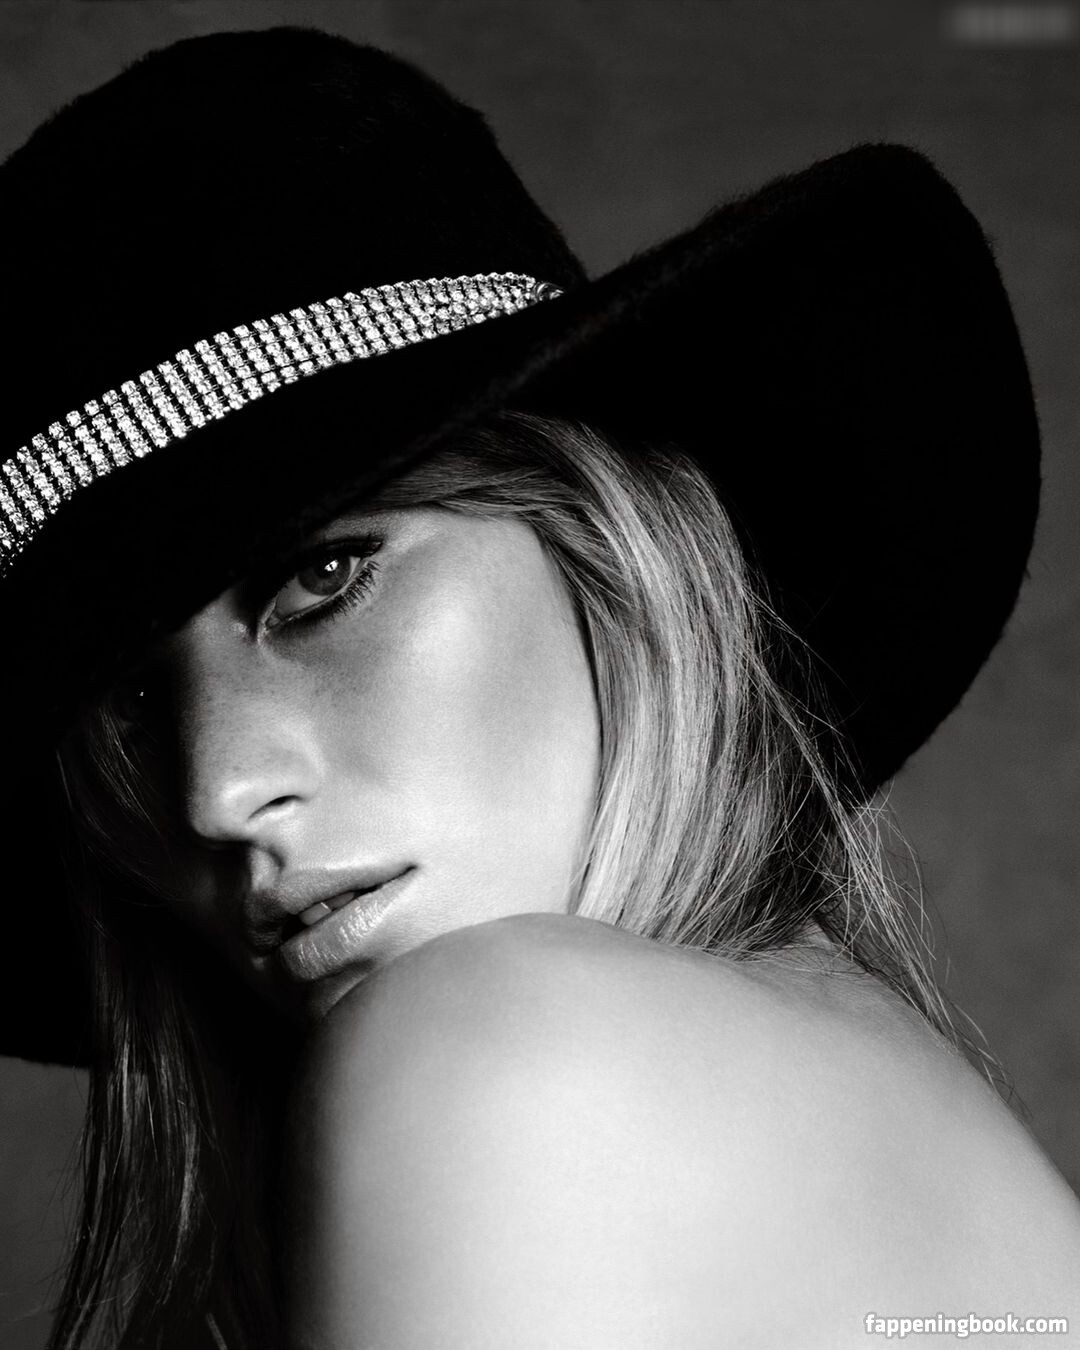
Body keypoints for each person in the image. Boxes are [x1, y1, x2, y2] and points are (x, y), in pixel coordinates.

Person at [0, 25, 1076, 1350]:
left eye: (325, 578)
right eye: (130, 709)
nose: (217, 791)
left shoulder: (496, 1056)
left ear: (600, 544)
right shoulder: (838, 1085)